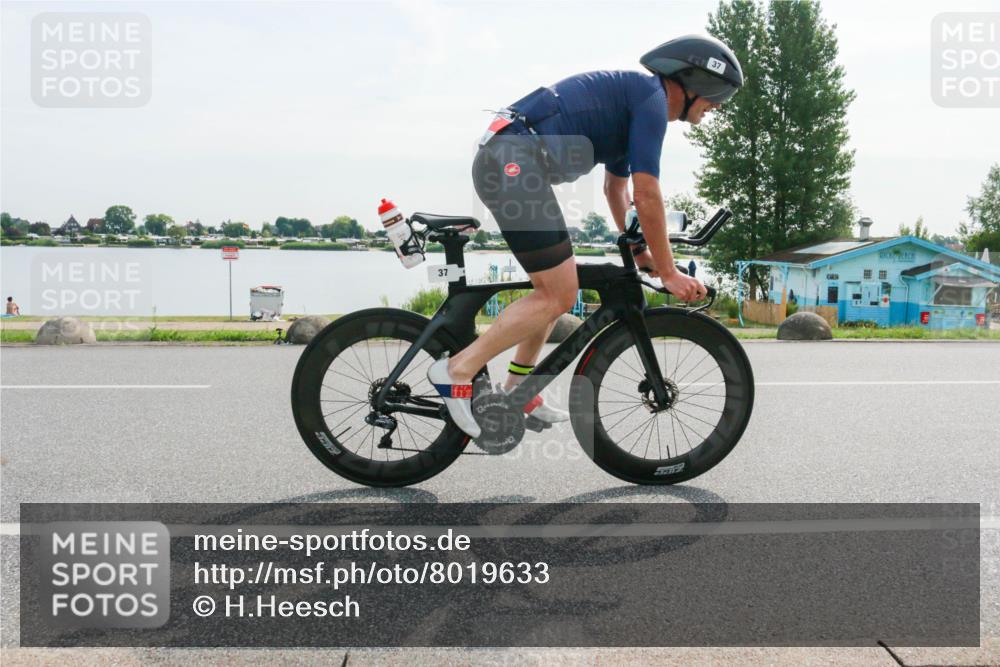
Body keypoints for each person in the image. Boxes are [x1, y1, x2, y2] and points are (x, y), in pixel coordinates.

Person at [429, 35, 744, 438]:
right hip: (511, 162)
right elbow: (648, 195)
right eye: (718, 95)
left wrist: (641, 252)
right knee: (557, 293)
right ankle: (458, 369)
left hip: (511, 161)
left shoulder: (636, 105)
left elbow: (618, 191)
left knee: (558, 286)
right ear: (693, 81)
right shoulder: (650, 100)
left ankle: (520, 389)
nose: (717, 106)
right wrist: (668, 272)